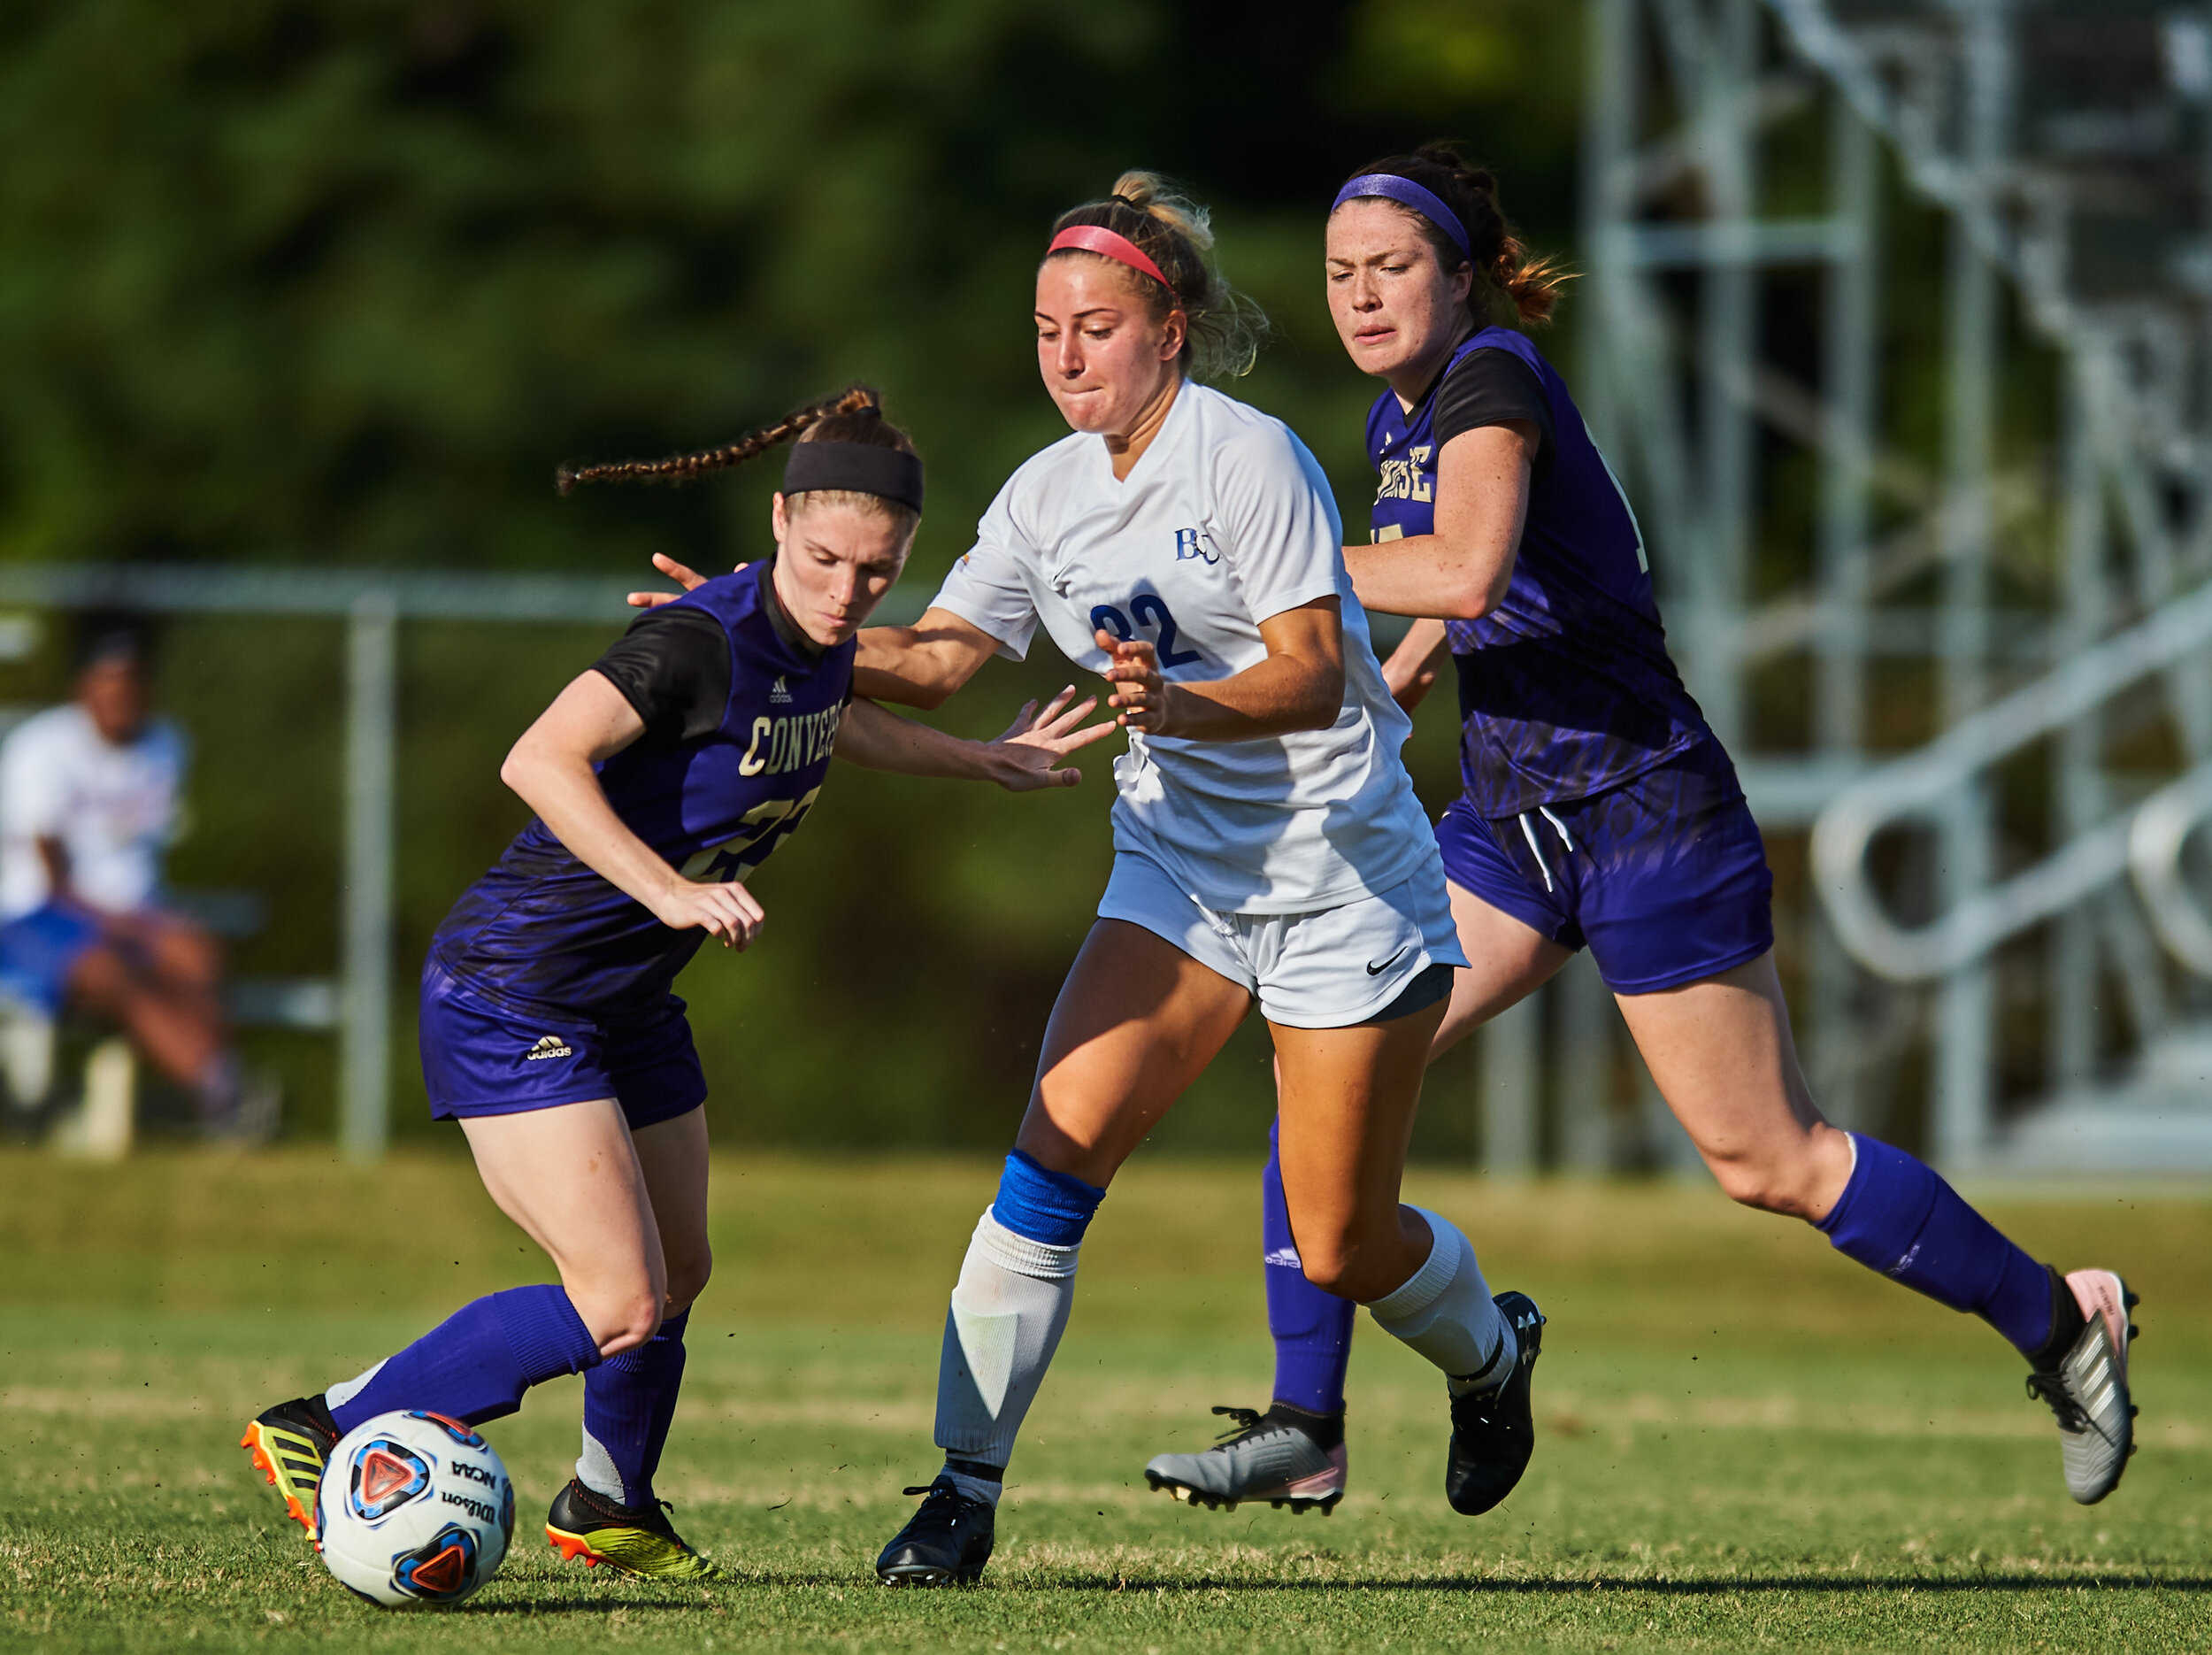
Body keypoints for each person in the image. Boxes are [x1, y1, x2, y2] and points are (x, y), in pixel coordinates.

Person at [1138, 145, 2139, 1517]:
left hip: (1644, 810)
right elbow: (1463, 598)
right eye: (1339, 274)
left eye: (1391, 268)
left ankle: (2062, 1324)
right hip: (1508, 821)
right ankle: (1309, 1422)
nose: (1362, 297)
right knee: (1329, 1064)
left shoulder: (1491, 378)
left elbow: (1468, 560)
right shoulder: (1397, 420)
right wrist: (1402, 672)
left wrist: (1270, 559)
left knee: (1767, 1158)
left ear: (1462, 274)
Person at [242, 390, 1112, 1582]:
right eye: (822, 560)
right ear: (778, 521)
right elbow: (538, 757)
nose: (848, 592)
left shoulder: (820, 643)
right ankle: (325, 1422)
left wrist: (976, 758)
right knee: (616, 1301)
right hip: (517, 990)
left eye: (876, 570)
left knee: (679, 1272)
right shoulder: (696, 638)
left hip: (627, 999)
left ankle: (608, 1498)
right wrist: (666, 889)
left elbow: (828, 722)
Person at [838, 171, 1538, 1588]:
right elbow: (937, 658)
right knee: (1052, 1155)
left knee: (1342, 1241)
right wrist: (765, 629)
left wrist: (1184, 707)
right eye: (1046, 330)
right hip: (1181, 874)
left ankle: (1492, 1347)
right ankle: (960, 1494)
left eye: (1096, 326)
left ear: (1171, 327)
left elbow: (1310, 670)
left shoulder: (1246, 456)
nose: (1067, 355)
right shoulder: (1044, 494)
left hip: (1340, 874)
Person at [0, 620, 265, 1135]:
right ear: (84, 686)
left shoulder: (166, 745)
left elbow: (136, 860)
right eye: (110, 683)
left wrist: (155, 923)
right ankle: (225, 1096)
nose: (123, 697)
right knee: (109, 973)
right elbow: (52, 880)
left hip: (132, 916)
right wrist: (137, 926)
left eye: (133, 683)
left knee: (197, 956)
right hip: (41, 916)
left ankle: (227, 1091)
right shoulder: (42, 749)